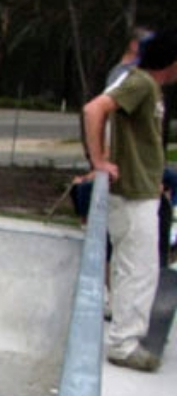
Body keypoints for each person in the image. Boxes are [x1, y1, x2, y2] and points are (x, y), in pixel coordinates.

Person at [83, 29, 177, 373]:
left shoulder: (147, 87)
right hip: (133, 195)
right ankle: (124, 344)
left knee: (132, 268)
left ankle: (124, 335)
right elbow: (94, 110)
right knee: (140, 270)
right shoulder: (141, 84)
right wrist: (99, 161)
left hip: (142, 190)